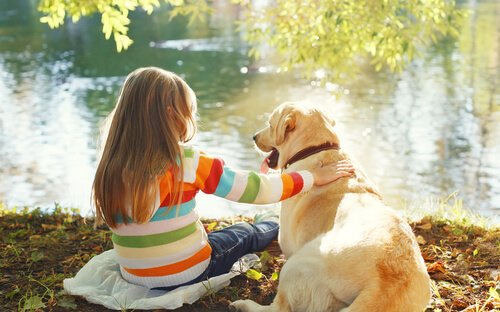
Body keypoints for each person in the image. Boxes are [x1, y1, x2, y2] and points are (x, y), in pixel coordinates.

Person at [92, 66, 355, 291]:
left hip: (134, 275)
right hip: (188, 273)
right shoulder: (187, 161)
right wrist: (311, 176)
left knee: (211, 234)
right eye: (189, 112)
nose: (191, 118)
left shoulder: (111, 163)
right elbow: (256, 190)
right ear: (172, 114)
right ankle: (269, 224)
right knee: (245, 233)